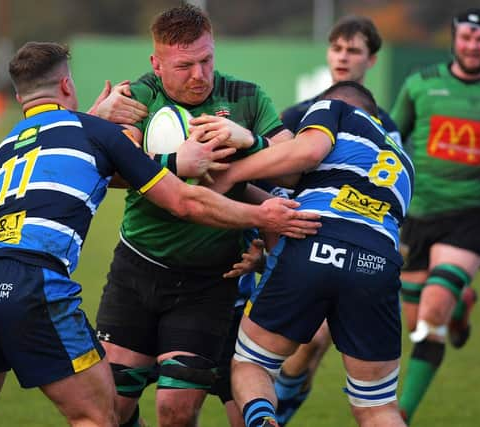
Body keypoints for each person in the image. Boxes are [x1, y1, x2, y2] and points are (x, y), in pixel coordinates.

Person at [0, 41, 314, 427]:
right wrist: (261, 214)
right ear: (66, 86)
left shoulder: (9, 145)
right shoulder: (95, 133)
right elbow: (184, 202)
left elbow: (64, 136)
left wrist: (98, 115)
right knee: (97, 415)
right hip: (32, 283)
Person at [90, 4, 321, 427]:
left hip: (208, 281)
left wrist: (249, 140)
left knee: (175, 410)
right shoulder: (137, 99)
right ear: (156, 64)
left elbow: (293, 169)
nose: (199, 75)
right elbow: (112, 172)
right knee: (112, 407)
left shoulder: (246, 97)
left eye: (206, 60)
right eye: (184, 65)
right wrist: (173, 162)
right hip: (137, 269)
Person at [209, 81, 414, 427]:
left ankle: (262, 421)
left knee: (251, 363)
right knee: (377, 407)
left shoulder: (335, 109)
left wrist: (231, 175)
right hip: (378, 263)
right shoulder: (406, 166)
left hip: (314, 244)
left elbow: (304, 156)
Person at [273, 15, 402, 425]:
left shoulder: (387, 128)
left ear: (373, 60)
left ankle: (275, 411)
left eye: (354, 50)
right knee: (296, 347)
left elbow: (393, 192)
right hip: (293, 241)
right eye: (337, 48)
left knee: (312, 344)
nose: (343, 57)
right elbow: (275, 179)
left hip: (356, 247)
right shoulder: (297, 115)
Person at [390, 8, 480, 424]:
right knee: (417, 324)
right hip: (418, 215)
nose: (473, 46)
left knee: (430, 315)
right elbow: (390, 140)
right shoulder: (420, 85)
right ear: (454, 39)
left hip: (470, 217)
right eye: (466, 38)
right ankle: (461, 309)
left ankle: (400, 416)